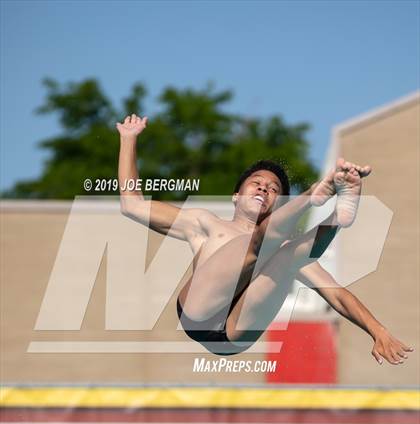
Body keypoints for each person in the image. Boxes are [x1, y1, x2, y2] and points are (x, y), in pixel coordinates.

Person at [116, 113, 413, 361]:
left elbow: (336, 293)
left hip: (235, 335)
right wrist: (128, 139)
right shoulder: (204, 222)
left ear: (280, 207)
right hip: (199, 313)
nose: (263, 189)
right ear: (235, 196)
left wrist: (378, 330)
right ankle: (315, 197)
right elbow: (132, 204)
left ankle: (337, 218)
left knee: (290, 254)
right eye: (256, 183)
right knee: (261, 245)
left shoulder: (285, 246)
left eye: (273, 190)